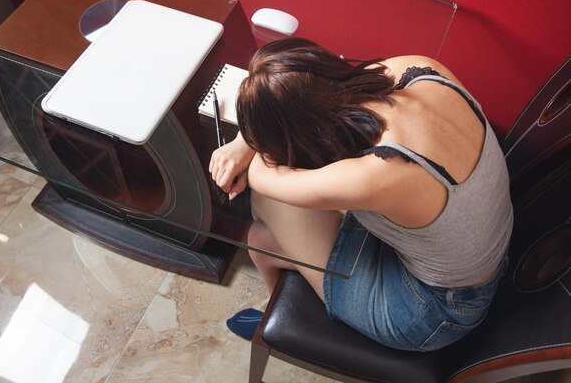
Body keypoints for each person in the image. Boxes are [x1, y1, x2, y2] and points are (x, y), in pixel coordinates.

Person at [209, 38, 513, 351]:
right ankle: (280, 312)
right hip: (479, 246)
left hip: (436, 311)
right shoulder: (416, 69)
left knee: (266, 205)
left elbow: (264, 178)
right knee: (260, 240)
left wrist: (250, 138)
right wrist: (248, 139)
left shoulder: (376, 175)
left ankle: (287, 332)